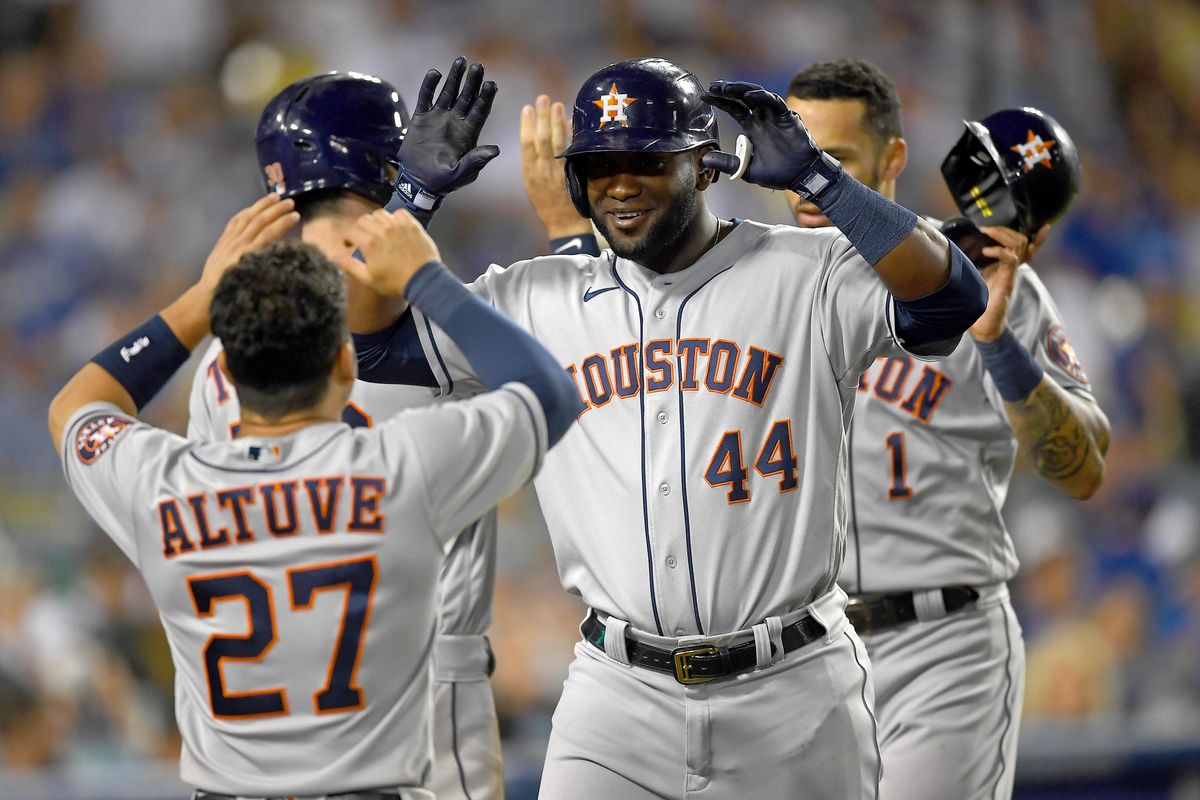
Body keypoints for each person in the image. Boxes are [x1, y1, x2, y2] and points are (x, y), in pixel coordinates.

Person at [353, 56, 989, 799]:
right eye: (598, 164)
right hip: (616, 700)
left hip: (795, 691)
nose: (620, 182)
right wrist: (412, 196)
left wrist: (821, 179)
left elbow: (952, 300)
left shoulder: (806, 273)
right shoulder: (534, 296)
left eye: (645, 161)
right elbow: (375, 344)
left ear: (704, 165)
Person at [49, 190, 580, 799]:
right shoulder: (401, 466)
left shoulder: (159, 482)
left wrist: (201, 300)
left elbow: (75, 407)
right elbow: (550, 391)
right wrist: (423, 277)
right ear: (344, 364)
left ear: (226, 373)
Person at [785, 59, 1110, 799]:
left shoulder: (981, 274)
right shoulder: (747, 284)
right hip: (800, 658)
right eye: (794, 153)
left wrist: (997, 342)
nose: (804, 178)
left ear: (892, 160)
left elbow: (1085, 469)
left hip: (943, 644)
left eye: (831, 161)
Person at [187, 68, 508, 800]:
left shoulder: (222, 353)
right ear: (388, 164)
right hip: (424, 693)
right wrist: (418, 203)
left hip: (262, 697)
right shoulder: (447, 318)